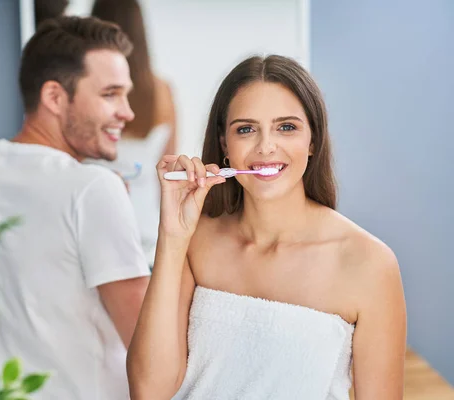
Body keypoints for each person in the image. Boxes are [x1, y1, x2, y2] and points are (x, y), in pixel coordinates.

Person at [126, 55, 407, 399]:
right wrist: (172, 236)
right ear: (226, 145)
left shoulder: (369, 264)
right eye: (246, 129)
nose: (266, 146)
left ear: (313, 140)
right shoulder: (194, 241)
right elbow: (147, 391)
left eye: (286, 127)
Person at [0, 16, 151, 399]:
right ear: (54, 97)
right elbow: (150, 344)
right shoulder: (92, 189)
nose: (127, 112)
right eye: (110, 94)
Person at [89, 0, 178, 266]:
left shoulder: (87, 93)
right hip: (146, 237)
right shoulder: (162, 91)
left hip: (95, 235)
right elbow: (170, 170)